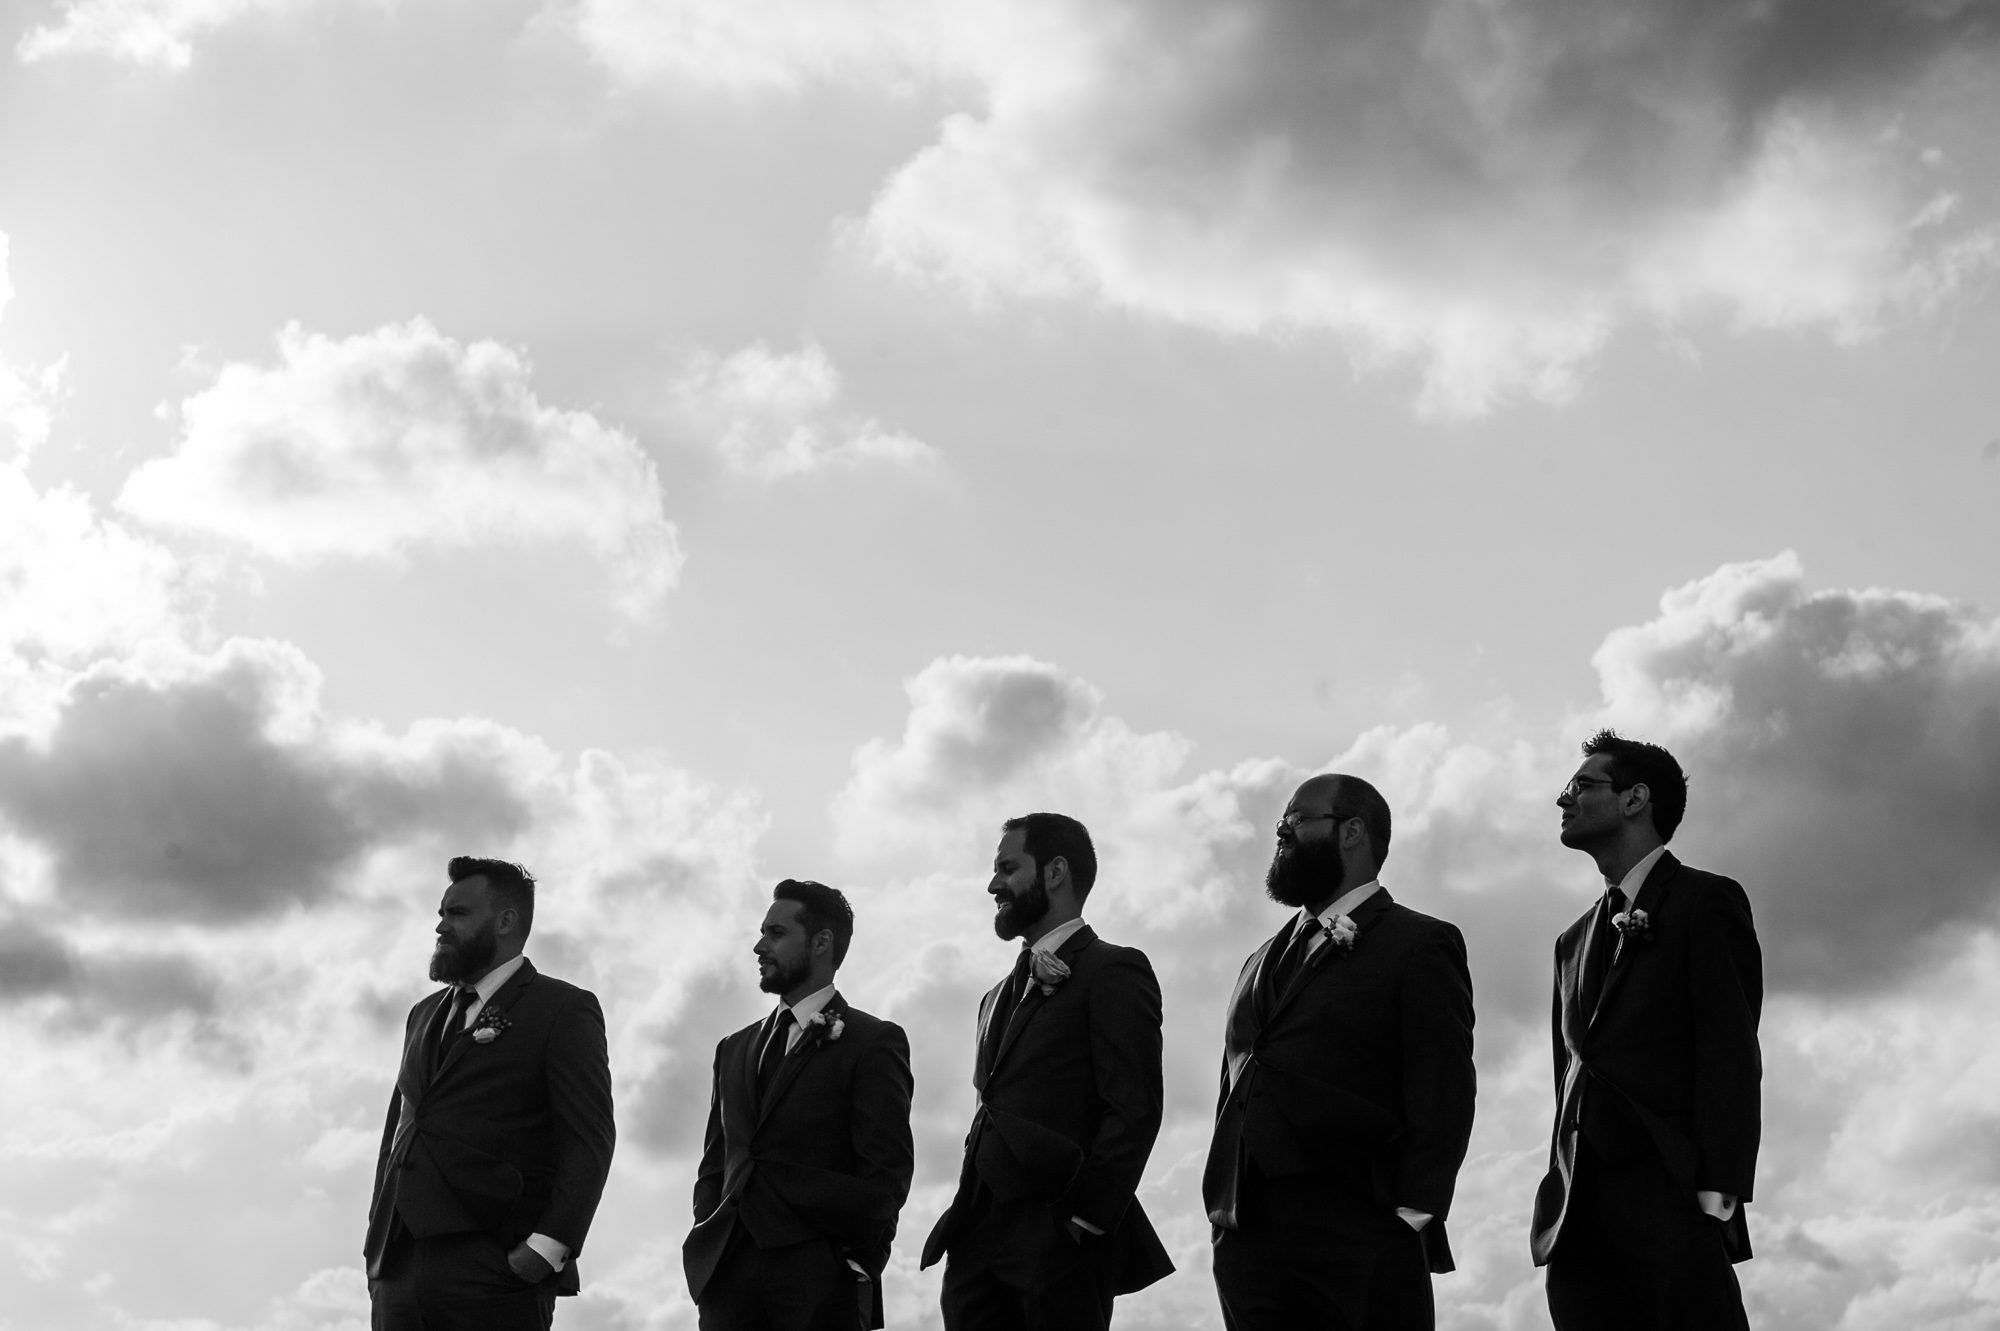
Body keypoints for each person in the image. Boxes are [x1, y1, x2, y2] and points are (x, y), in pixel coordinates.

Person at [1204, 774, 1475, 1331]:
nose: (1281, 830)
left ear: (1352, 832)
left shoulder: (1419, 943)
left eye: (1298, 818)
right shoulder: (1258, 958)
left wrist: (1412, 1216)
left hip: (1362, 1229)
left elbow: (1443, 1086)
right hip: (1247, 1238)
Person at [1532, 730, 1762, 1330]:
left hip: (1675, 1202)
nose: (1564, 799)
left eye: (1582, 785)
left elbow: (1730, 1048)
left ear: (1635, 799)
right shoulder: (1570, 942)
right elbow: (1568, 1079)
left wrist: (1718, 1194)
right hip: (1578, 1220)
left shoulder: (1705, 902)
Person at [921, 813, 1173, 1330]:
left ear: (1055, 872)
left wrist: (1085, 1220)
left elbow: (1135, 1107)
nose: (993, 884)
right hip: (973, 1242)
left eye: (1007, 868)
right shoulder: (993, 997)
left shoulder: (1114, 969)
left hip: (1059, 1238)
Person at [364, 856, 615, 1331]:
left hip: (497, 1271)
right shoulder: (423, 1013)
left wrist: (543, 1251)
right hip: (397, 1271)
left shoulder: (562, 1009)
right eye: (441, 913)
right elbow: (400, 1132)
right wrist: (376, 1248)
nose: (440, 927)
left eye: (456, 914)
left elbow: (590, 1141)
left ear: (505, 921)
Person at [684, 879, 915, 1331]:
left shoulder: (872, 1042)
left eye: (775, 933)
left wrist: (857, 1265)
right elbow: (716, 1164)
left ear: (822, 942)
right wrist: (708, 1245)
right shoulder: (733, 1048)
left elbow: (886, 1174)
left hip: (821, 1282)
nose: (758, 946)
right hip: (726, 1284)